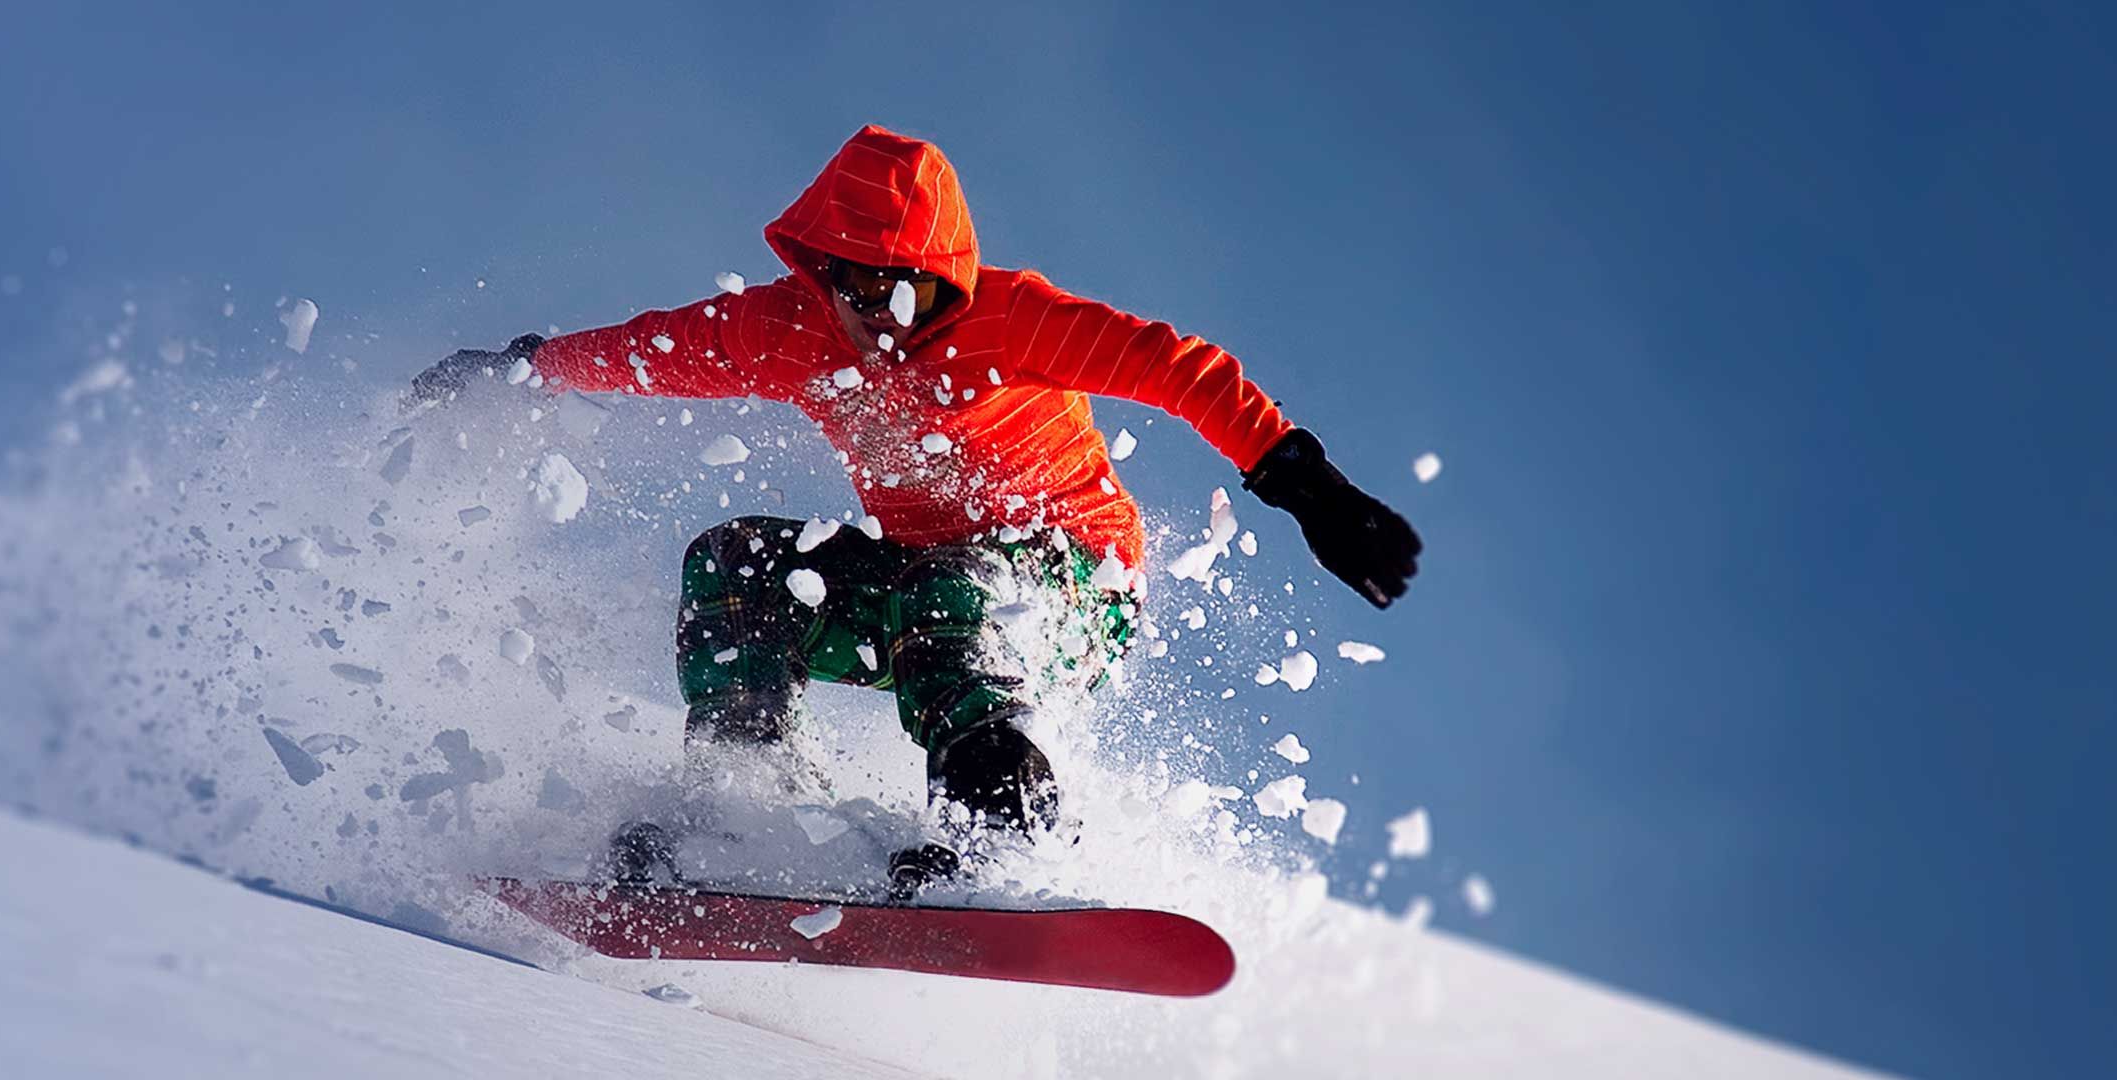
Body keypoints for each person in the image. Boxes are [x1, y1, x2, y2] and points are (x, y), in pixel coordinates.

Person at [414, 125, 1419, 867]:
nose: (898, 326)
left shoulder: (1013, 319)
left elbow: (1182, 369)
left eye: (922, 299)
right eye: (874, 299)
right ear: (829, 278)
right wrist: (524, 365)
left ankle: (1000, 838)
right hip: (922, 595)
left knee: (955, 588)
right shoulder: (787, 332)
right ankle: (741, 801)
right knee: (737, 562)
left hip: (1073, 591)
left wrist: (1314, 493)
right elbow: (657, 350)